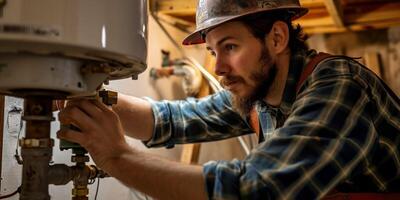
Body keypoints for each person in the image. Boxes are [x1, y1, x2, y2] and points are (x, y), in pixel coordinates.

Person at [57, 0, 400, 199]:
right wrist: (91, 95)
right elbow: (174, 119)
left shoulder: (339, 86)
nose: (219, 67)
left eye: (230, 47)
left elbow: (258, 188)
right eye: (212, 51)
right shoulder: (259, 93)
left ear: (277, 37)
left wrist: (117, 158)